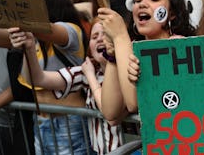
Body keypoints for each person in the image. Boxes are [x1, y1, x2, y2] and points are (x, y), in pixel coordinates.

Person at [9, 18, 124, 154]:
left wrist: (91, 77)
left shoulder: (126, 70)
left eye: (105, 34)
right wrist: (29, 48)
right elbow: (38, 79)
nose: (99, 39)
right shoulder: (88, 70)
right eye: (94, 36)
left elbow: (109, 113)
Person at [6, 0, 90, 155]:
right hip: (41, 121)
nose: (23, 7)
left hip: (69, 121)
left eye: (28, 3)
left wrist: (17, 15)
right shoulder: (31, 39)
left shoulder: (70, 31)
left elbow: (48, 29)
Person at [98, 0, 195, 120]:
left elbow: (134, 103)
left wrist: (120, 36)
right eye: (137, 0)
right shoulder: (128, 48)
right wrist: (113, 57)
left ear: (172, 13)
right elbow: (110, 112)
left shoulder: (178, 46)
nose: (142, 4)